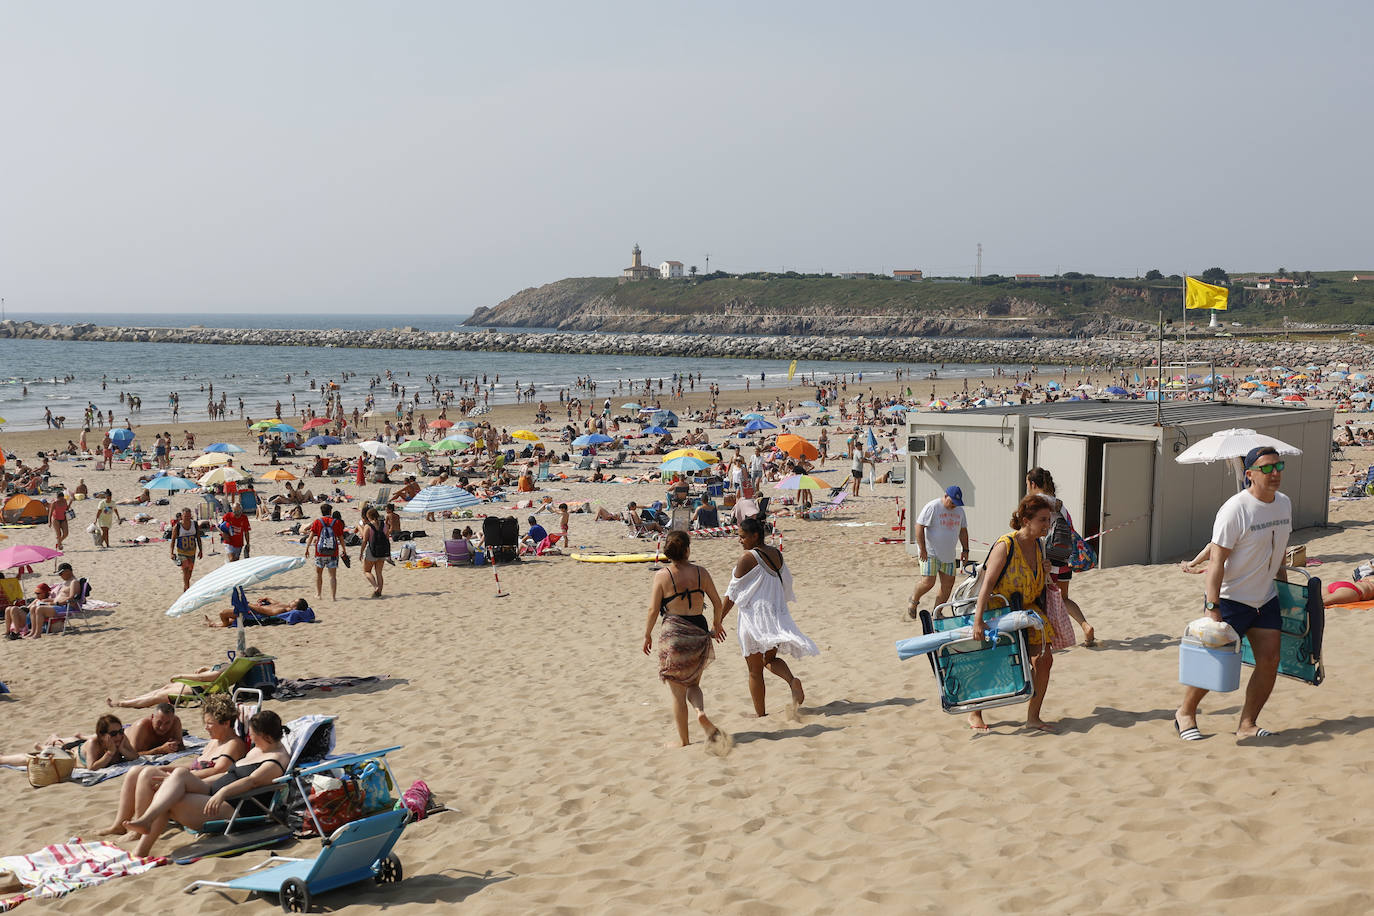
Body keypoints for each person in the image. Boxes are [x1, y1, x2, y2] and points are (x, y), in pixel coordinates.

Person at [1175, 446, 1291, 741]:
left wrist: (1285, 588)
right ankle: (1185, 712)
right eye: (1266, 468)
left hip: (1265, 598)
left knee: (1269, 660)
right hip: (1231, 599)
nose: (1274, 473)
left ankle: (1247, 724)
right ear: (1250, 474)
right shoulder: (1235, 509)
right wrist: (1212, 606)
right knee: (1214, 662)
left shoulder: (1284, 504)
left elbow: (1278, 551)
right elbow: (1217, 560)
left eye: (1278, 466)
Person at [122, 709, 291, 859]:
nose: (251, 738)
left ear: (267, 737)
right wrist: (175, 782)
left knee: (171, 801)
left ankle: (141, 849)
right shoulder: (259, 748)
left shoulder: (276, 760)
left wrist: (221, 793)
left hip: (236, 806)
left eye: (253, 735)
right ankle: (145, 820)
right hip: (214, 791)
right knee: (179, 774)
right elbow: (229, 774)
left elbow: (250, 781)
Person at [969, 494, 1057, 733]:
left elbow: (1037, 581)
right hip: (1000, 612)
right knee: (994, 663)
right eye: (1042, 520)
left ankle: (1033, 716)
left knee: (1044, 660)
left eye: (1048, 520)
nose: (1047, 525)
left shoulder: (1039, 546)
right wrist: (978, 621)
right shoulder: (1006, 545)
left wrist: (1045, 568)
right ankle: (975, 712)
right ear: (1026, 520)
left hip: (1029, 612)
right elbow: (987, 584)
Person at [99, 695, 245, 837]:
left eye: (210, 723)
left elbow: (218, 770)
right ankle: (119, 825)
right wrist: (167, 770)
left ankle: (139, 829)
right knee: (135, 771)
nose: (206, 728)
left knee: (148, 774)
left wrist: (176, 778)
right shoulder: (214, 742)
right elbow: (193, 766)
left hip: (202, 788)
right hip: (188, 780)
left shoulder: (234, 744)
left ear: (226, 723)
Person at [720, 517, 817, 718]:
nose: (740, 541)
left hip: (754, 619)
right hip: (774, 615)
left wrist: (717, 620)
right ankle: (791, 681)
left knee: (755, 670)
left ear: (755, 536)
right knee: (770, 658)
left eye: (742, 537)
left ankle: (760, 715)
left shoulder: (747, 558)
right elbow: (786, 583)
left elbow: (732, 594)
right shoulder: (776, 553)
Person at [642, 530, 730, 751]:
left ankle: (684, 741)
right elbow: (718, 604)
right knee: (693, 683)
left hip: (674, 632)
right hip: (698, 629)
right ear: (688, 550)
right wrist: (716, 625)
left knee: (677, 693)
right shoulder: (701, 573)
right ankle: (700, 712)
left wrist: (647, 634)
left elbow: (653, 610)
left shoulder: (663, 575)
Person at [1025, 468, 1096, 646]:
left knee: (1044, 598)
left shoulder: (1038, 502)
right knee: (1063, 598)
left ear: (1033, 484)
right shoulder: (1059, 504)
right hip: (1066, 557)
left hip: (1050, 559)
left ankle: (1046, 639)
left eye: (1028, 484)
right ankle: (1086, 626)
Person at [108, 646, 265, 707]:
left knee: (160, 696)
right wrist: (205, 667)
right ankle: (130, 699)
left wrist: (181, 675)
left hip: (198, 690)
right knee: (164, 689)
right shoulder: (233, 668)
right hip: (199, 687)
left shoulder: (227, 670)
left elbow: (204, 679)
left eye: (241, 654)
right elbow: (210, 673)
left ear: (243, 656)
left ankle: (124, 704)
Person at [908, 485, 970, 619]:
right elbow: (919, 526)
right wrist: (922, 549)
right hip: (930, 552)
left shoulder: (959, 511)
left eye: (956, 503)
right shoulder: (933, 507)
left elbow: (963, 531)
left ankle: (937, 612)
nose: (954, 505)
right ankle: (914, 600)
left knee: (948, 584)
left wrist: (966, 550)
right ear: (946, 496)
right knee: (928, 582)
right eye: (952, 502)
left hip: (948, 554)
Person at [0, 714, 139, 770]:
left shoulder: (121, 739)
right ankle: (2, 758)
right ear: (102, 735)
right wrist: (110, 753)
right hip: (68, 755)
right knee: (33, 759)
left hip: (76, 746)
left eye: (120, 731)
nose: (118, 736)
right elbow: (92, 768)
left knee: (74, 741)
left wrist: (122, 749)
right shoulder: (93, 743)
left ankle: (51, 741)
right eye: (113, 734)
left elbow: (135, 756)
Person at [9, 563, 81, 638]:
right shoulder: (66, 582)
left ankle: (38, 634)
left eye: (61, 573)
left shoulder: (74, 582)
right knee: (33, 607)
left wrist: (56, 603)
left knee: (39, 609)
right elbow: (60, 597)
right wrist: (47, 600)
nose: (60, 576)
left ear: (68, 571)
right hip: (58, 605)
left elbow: (72, 598)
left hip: (66, 607)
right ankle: (33, 631)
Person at [305, 503, 344, 601]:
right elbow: (341, 538)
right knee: (333, 576)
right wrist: (344, 549)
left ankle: (318, 594)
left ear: (321, 511)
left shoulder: (317, 522)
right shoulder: (336, 522)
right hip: (333, 552)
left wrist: (307, 548)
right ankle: (333, 597)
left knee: (319, 574)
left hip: (320, 552)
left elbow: (311, 536)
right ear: (330, 512)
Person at [204, 596, 310, 628]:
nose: (291, 600)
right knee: (232, 618)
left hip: (254, 613)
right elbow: (274, 602)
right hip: (254, 609)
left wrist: (247, 603)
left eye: (294, 602)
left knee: (223, 613)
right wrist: (267, 598)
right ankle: (215, 625)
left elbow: (264, 610)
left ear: (295, 608)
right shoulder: (285, 606)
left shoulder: (282, 610)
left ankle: (222, 624)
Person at [359, 505, 389, 598]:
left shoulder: (368, 526)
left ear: (369, 517)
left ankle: (376, 587)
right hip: (382, 551)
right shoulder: (384, 525)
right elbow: (387, 539)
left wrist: (361, 552)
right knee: (379, 572)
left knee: (367, 571)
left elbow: (364, 541)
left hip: (372, 551)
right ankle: (379, 592)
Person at [170, 508, 203, 592]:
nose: (187, 518)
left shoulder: (194, 525)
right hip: (182, 552)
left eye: (189, 516)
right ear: (182, 516)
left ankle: (185, 590)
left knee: (189, 574)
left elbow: (198, 538)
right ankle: (188, 591)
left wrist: (201, 550)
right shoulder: (177, 527)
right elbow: (173, 540)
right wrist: (171, 553)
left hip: (192, 552)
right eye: (185, 516)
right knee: (185, 570)